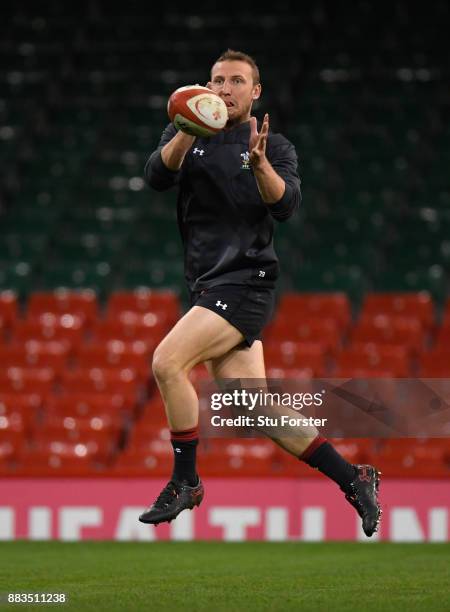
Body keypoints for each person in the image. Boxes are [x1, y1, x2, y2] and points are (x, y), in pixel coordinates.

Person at [139, 49, 381, 536]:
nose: (224, 88)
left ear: (256, 92)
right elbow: (157, 175)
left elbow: (286, 204)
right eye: (216, 80)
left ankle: (186, 480)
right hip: (209, 285)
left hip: (245, 282)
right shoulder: (185, 134)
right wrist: (188, 126)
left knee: (166, 362)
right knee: (253, 407)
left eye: (235, 81)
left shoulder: (276, 147)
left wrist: (261, 164)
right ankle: (354, 478)